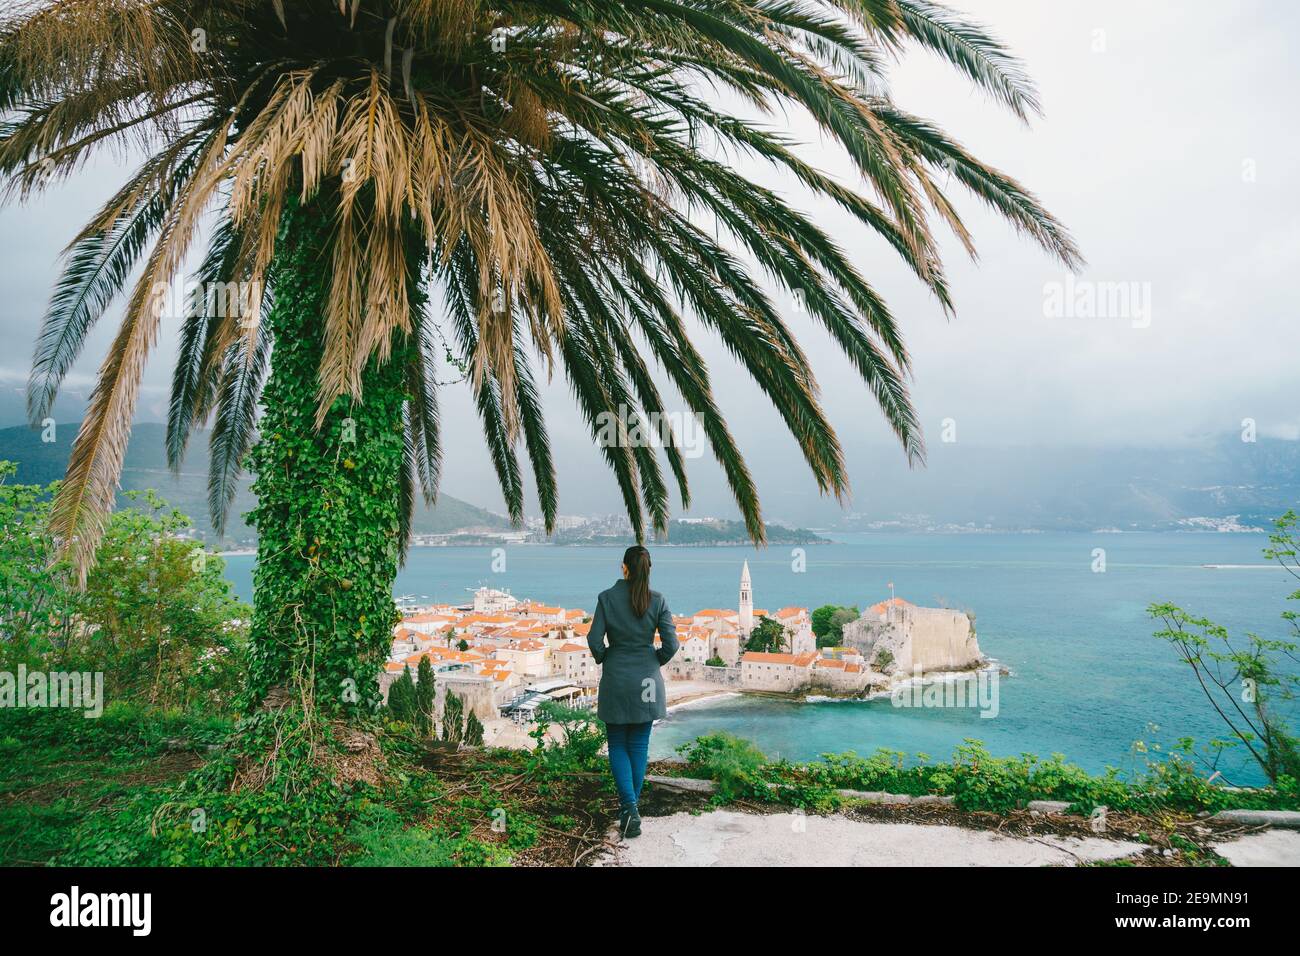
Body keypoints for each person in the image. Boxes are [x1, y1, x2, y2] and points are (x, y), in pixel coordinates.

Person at [585, 545, 678, 838]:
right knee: (638, 744)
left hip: (616, 678)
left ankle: (629, 808)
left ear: (624, 567)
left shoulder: (607, 598)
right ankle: (631, 809)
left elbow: (594, 639)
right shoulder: (658, 600)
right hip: (647, 681)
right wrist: (653, 660)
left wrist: (605, 657)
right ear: (647, 569)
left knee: (617, 743)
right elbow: (672, 645)